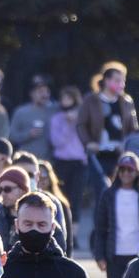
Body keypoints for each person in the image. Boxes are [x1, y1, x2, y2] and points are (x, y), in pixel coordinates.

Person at [77, 61, 138, 180]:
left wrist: (127, 145)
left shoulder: (126, 102)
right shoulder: (91, 100)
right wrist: (89, 143)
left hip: (120, 153)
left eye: (123, 80)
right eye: (117, 80)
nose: (121, 84)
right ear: (106, 81)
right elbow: (81, 125)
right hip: (99, 153)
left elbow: (133, 128)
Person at [48, 87, 89, 226]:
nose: (66, 102)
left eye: (69, 99)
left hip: (79, 162)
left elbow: (88, 139)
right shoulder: (57, 119)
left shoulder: (83, 119)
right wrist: (67, 125)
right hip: (62, 161)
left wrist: (77, 123)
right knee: (61, 196)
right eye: (64, 99)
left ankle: (75, 232)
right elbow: (57, 142)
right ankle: (61, 227)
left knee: (76, 198)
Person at [9, 75, 57, 159]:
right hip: (25, 160)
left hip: (49, 161)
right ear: (32, 94)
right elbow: (12, 136)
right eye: (40, 92)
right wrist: (28, 135)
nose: (45, 95)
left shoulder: (55, 110)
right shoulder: (21, 112)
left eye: (47, 91)